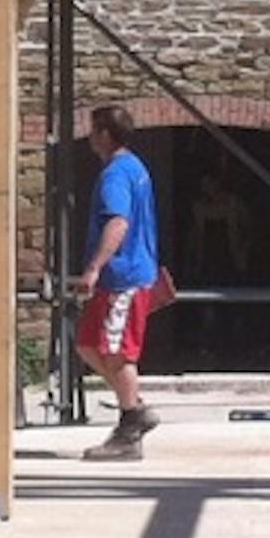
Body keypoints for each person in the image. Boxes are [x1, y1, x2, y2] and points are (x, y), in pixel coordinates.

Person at [73, 105, 169, 461]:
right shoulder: (135, 167)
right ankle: (136, 408)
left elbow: (118, 223)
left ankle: (129, 429)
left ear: (105, 135)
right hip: (126, 275)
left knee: (116, 352)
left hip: (122, 277)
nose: (89, 137)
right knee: (87, 345)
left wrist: (94, 268)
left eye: (94, 130)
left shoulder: (116, 174)